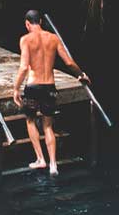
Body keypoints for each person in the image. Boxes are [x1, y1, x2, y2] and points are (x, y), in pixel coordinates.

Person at [13, 10, 90, 176]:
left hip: (33, 87)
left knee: (31, 120)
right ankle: (53, 165)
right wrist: (81, 74)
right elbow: (69, 61)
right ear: (40, 21)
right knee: (48, 125)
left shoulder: (26, 39)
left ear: (27, 24)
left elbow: (24, 67)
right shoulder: (53, 38)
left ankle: (41, 159)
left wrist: (15, 89)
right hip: (49, 86)